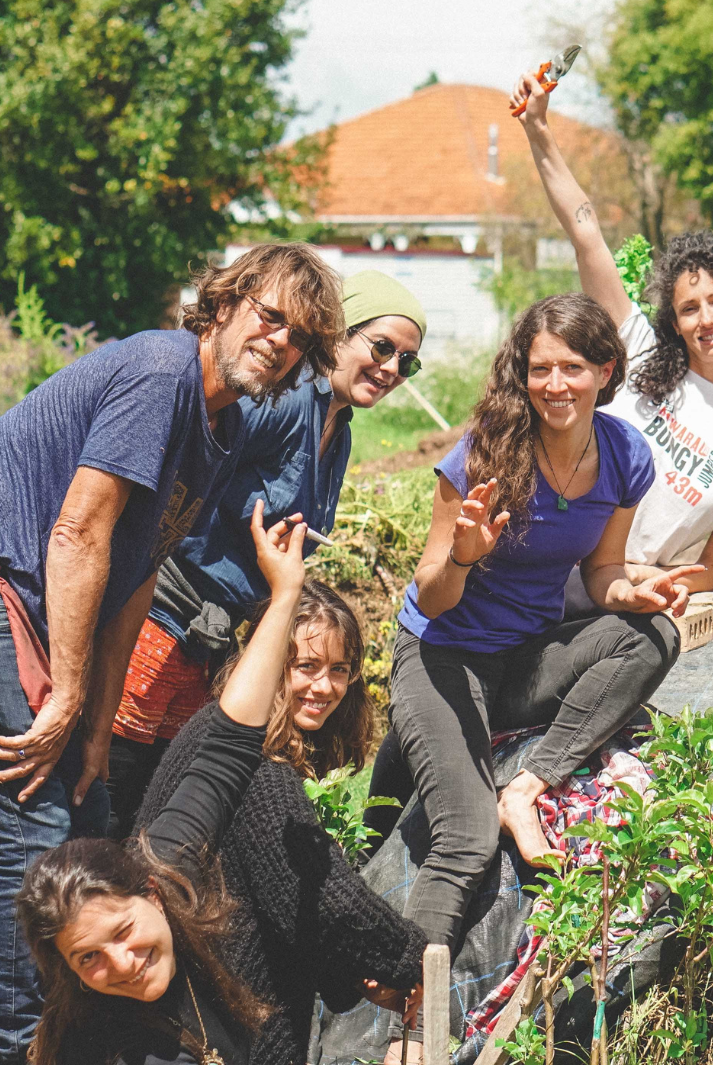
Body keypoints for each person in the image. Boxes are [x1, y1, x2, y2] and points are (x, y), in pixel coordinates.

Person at [0, 241, 342, 1062]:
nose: (279, 340)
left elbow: (139, 575)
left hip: (55, 617)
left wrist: (92, 726)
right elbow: (78, 533)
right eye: (268, 315)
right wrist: (66, 699)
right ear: (221, 303)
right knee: (36, 834)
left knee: (91, 819)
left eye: (298, 334)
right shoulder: (162, 372)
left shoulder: (217, 430)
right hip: (12, 590)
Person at [371, 291, 688, 1063]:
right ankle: (411, 1026)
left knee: (656, 632)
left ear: (605, 371)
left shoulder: (624, 456)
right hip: (442, 657)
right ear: (523, 372)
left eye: (572, 368)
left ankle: (530, 784)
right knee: (466, 840)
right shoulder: (484, 453)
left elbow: (602, 570)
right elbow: (433, 593)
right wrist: (467, 555)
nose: (555, 385)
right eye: (540, 368)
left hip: (527, 657)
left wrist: (634, 591)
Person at [105, 270, 427, 839]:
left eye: (409, 362)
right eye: (382, 347)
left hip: (208, 643)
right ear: (339, 334)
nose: (392, 369)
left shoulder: (340, 429)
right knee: (109, 792)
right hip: (156, 620)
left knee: (155, 811)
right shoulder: (282, 399)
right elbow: (180, 478)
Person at [14, 504, 310, 1065]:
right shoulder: (95, 1049)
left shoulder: (171, 868)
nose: (122, 964)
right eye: (89, 959)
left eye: (123, 931)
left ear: (151, 894)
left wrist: (285, 596)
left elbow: (227, 744)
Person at [510, 71, 713, 615]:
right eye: (689, 307)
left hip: (631, 599)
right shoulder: (640, 352)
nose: (707, 318)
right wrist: (538, 128)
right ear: (674, 320)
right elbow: (585, 229)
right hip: (550, 575)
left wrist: (643, 577)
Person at [135, 580, 427, 1065]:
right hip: (204, 1012)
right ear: (272, 661)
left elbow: (289, 903)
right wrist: (410, 958)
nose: (324, 687)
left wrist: (354, 979)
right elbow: (322, 891)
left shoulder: (232, 733)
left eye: (340, 670)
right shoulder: (259, 767)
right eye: (306, 666)